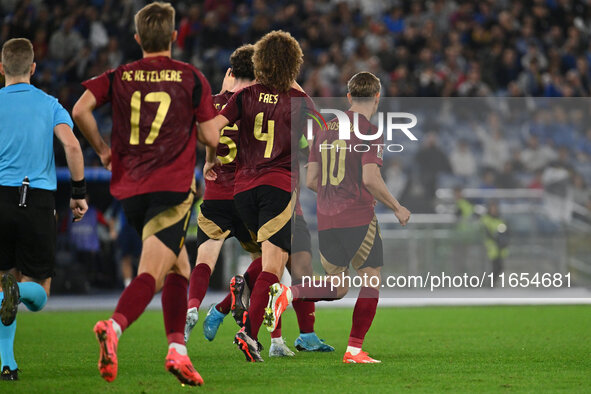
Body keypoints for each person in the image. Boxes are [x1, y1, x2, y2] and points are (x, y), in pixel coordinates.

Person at [72, 2, 220, 386]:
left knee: (179, 266)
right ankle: (114, 327)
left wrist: (103, 150)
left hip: (130, 189)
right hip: (171, 188)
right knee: (152, 272)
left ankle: (178, 351)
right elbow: (211, 136)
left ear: (137, 39)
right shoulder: (190, 77)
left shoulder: (120, 75)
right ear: (173, 37)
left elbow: (80, 109)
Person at [189, 44, 333, 358]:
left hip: (242, 192)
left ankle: (293, 334)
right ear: (292, 67)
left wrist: (210, 160)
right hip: (278, 188)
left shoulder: (244, 96)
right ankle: (249, 333)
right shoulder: (297, 101)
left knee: (287, 260)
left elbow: (211, 130)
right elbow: (323, 130)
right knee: (277, 264)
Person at [265, 71, 411, 364]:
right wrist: (397, 206)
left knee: (338, 286)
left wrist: (335, 192)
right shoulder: (369, 130)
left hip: (327, 219)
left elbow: (311, 180)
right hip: (357, 216)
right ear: (377, 97)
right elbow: (370, 179)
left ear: (348, 98)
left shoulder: (325, 129)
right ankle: (354, 349)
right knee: (370, 279)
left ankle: (288, 292)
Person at [0, 37, 87, 381]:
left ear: (2, 69)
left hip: (1, 198)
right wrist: (78, 193)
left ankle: (7, 363)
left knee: (3, 284)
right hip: (37, 201)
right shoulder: (50, 104)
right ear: (34, 69)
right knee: (40, 295)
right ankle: (18, 293)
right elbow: (72, 146)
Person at [183, 44, 263, 344]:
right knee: (267, 262)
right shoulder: (257, 105)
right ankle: (253, 322)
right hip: (247, 195)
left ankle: (192, 307)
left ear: (231, 71)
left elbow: (209, 133)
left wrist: (207, 160)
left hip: (216, 196)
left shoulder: (214, 103)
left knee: (204, 261)